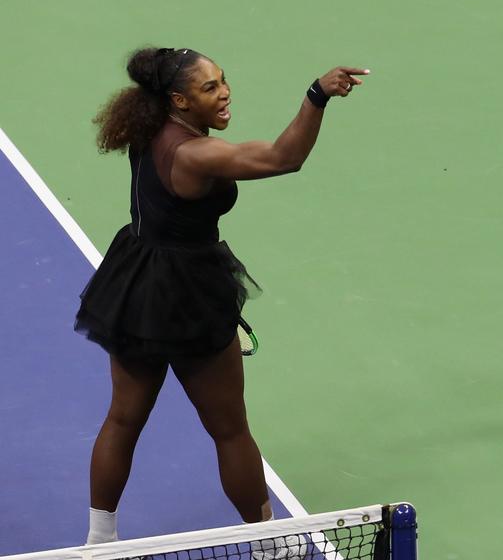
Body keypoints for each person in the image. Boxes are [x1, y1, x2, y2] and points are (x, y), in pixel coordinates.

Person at [74, 46, 369, 545]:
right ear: (179, 100)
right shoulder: (197, 153)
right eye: (209, 87)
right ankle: (273, 545)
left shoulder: (149, 128)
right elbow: (283, 158)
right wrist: (317, 95)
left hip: (135, 283)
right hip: (188, 296)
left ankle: (99, 542)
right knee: (230, 430)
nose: (225, 91)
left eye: (222, 80)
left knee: (122, 419)